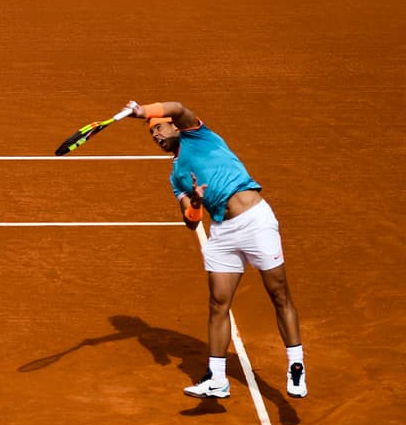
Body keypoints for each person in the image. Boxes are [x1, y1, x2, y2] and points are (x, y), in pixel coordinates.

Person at [124, 100, 306, 399]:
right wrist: (196, 203)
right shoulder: (175, 177)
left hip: (255, 222)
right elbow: (191, 222)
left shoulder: (198, 134)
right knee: (218, 305)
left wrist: (142, 111)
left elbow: (179, 107)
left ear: (173, 125)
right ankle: (217, 379)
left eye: (158, 127)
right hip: (222, 233)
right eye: (151, 133)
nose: (155, 135)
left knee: (279, 293)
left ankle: (296, 366)